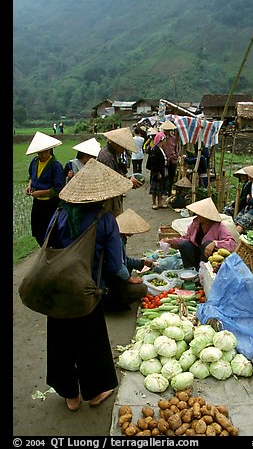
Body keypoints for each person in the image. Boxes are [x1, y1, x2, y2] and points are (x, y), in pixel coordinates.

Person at [43, 158, 133, 411]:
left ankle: (70, 395)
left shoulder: (59, 213)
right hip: (87, 291)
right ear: (102, 196)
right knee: (90, 343)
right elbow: (116, 264)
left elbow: (46, 244)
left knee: (61, 341)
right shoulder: (104, 220)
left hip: (58, 289)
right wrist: (129, 278)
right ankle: (94, 392)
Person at [163, 197, 237, 270]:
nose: (197, 215)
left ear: (207, 216)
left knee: (207, 243)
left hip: (209, 258)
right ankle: (190, 270)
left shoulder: (219, 227)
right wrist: (172, 241)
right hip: (196, 254)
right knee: (184, 244)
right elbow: (186, 238)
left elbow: (232, 243)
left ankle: (202, 271)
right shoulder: (196, 223)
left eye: (200, 214)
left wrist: (215, 243)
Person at [103, 208, 155, 311]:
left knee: (130, 271)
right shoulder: (116, 240)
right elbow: (117, 264)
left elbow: (124, 259)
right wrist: (129, 279)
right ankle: (113, 303)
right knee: (142, 289)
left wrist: (142, 262)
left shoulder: (119, 237)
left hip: (110, 274)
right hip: (110, 279)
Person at [25, 131, 65, 246]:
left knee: (52, 230)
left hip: (50, 204)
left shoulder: (56, 166)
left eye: (45, 152)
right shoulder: (34, 162)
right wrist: (29, 186)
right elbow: (31, 177)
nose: (43, 155)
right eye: (40, 152)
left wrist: (41, 192)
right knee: (37, 230)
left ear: (50, 150)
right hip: (38, 203)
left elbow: (57, 188)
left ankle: (53, 252)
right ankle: (44, 250)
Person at [97, 127, 142, 216]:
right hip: (108, 199)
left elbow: (116, 175)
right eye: (123, 147)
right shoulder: (107, 157)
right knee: (112, 222)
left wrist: (128, 179)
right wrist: (129, 182)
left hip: (112, 197)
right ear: (117, 144)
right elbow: (112, 182)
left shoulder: (112, 154)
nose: (124, 150)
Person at [148, 131, 169, 210]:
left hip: (162, 170)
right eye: (164, 140)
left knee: (161, 188)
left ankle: (160, 203)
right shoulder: (155, 149)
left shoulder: (161, 149)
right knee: (155, 188)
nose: (165, 141)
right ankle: (154, 203)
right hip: (157, 172)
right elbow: (154, 163)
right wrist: (158, 173)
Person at [160, 120, 179, 196]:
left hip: (172, 160)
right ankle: (164, 190)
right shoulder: (161, 138)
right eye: (166, 130)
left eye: (168, 130)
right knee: (164, 176)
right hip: (164, 160)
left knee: (171, 176)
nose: (167, 131)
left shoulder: (173, 138)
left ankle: (169, 190)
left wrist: (176, 156)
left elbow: (176, 148)